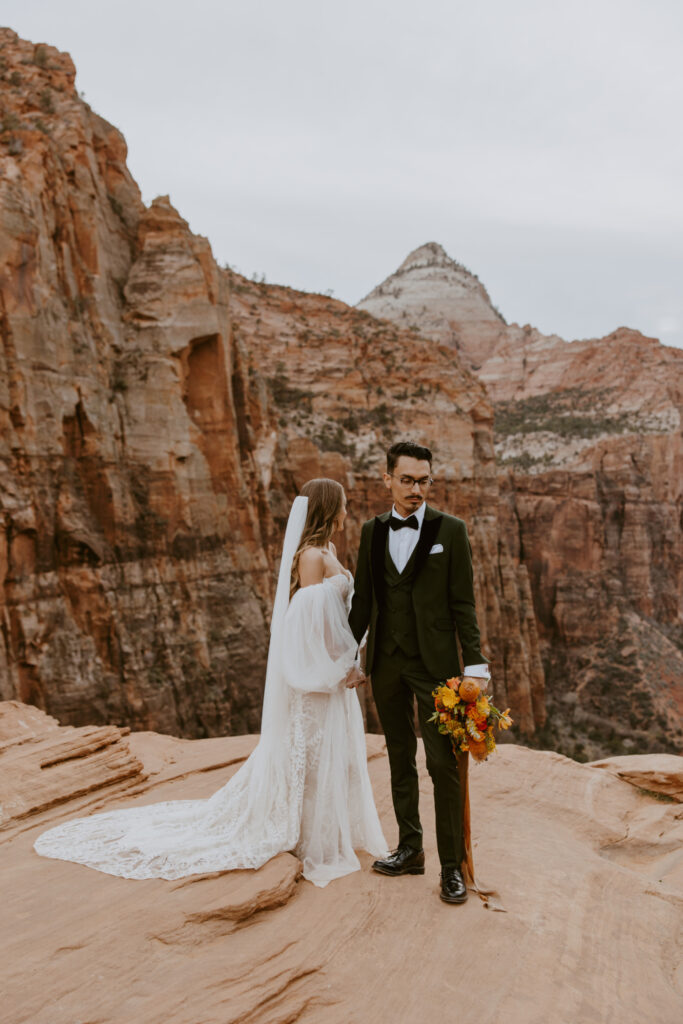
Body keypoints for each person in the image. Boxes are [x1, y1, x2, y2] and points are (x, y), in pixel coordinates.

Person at [34, 479, 388, 887]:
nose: (348, 512)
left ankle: (325, 831)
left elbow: (333, 620)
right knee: (308, 758)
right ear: (329, 509)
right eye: (343, 505)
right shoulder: (311, 556)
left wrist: (353, 658)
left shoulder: (327, 550)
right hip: (319, 684)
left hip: (335, 677)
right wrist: (338, 670)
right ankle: (309, 839)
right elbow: (307, 628)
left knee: (326, 757)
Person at [349, 441, 490, 904]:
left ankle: (451, 867)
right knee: (398, 758)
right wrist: (349, 657)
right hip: (387, 663)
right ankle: (410, 849)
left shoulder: (451, 529)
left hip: (437, 670)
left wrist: (475, 666)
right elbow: (364, 603)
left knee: (442, 764)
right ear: (386, 478)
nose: (415, 488)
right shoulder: (371, 531)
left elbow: (463, 604)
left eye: (423, 480)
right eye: (406, 479)